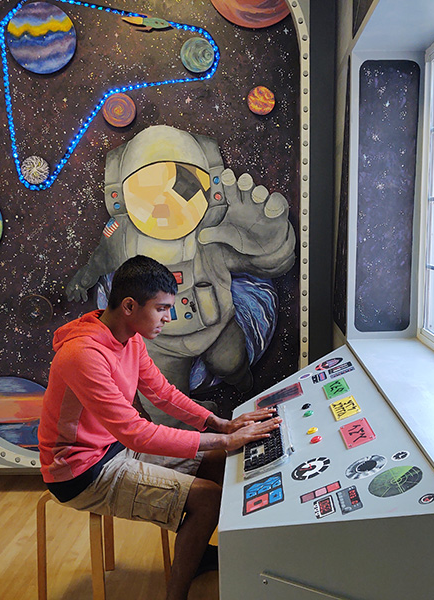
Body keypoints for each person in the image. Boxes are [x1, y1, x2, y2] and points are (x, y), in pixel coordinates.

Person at [38, 254, 280, 600]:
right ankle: (176, 593)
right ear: (129, 306)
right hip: (82, 471)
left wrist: (220, 425)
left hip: (113, 450)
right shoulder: (83, 354)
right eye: (162, 308)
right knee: (208, 496)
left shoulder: (129, 337)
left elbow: (162, 393)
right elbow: (135, 432)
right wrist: (221, 440)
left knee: (216, 463)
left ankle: (194, 553)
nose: (170, 317)